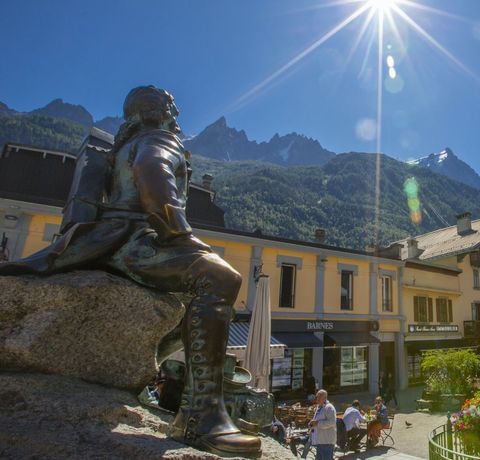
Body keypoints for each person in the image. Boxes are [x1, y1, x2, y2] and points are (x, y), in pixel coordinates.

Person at [0, 86, 259, 457]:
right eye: (173, 107)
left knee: (188, 302)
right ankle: (201, 418)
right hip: (135, 240)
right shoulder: (158, 139)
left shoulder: (121, 145)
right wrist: (180, 236)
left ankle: (152, 375)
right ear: (160, 112)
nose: (178, 113)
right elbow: (152, 173)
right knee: (221, 278)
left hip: (100, 243)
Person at [309, 389, 336, 460]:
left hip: (327, 441)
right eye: (317, 397)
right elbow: (315, 421)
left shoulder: (329, 407)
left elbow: (332, 422)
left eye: (319, 397)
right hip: (320, 441)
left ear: (325, 398)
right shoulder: (319, 407)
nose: (317, 399)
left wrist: (317, 423)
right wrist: (311, 424)